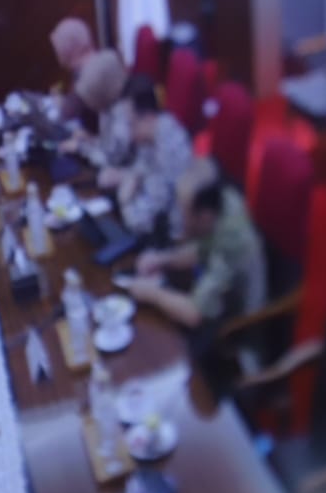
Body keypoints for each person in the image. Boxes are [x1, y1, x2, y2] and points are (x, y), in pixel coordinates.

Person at [129, 158, 266, 329]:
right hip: (215, 287)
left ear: (204, 217)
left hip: (236, 325)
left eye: (184, 213)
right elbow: (202, 248)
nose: (180, 221)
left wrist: (151, 293)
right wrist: (162, 259)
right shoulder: (220, 202)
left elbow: (195, 314)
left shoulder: (231, 242)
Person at [113, 75, 193, 239]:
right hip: (155, 223)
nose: (128, 134)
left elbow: (142, 222)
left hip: (171, 237)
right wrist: (128, 177)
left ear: (149, 118)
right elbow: (139, 172)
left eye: (130, 124)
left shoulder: (168, 152)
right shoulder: (154, 133)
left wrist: (124, 200)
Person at [69, 48, 134, 168]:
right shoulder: (107, 108)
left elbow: (113, 159)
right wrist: (91, 140)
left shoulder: (123, 114)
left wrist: (81, 148)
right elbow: (107, 145)